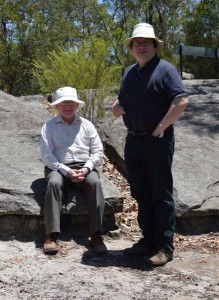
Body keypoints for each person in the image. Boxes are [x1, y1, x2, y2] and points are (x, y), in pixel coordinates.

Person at [112, 23, 188, 267]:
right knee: (141, 193)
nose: (141, 46)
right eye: (137, 42)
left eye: (146, 42)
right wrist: (116, 106)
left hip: (156, 140)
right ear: (132, 47)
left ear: (155, 45)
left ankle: (164, 246)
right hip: (133, 140)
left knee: (160, 194)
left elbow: (181, 100)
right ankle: (148, 241)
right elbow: (121, 98)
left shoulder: (166, 70)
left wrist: (161, 127)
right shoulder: (129, 71)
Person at [40, 86, 108, 255]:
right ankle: (52, 235)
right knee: (54, 183)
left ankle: (96, 234)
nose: (68, 106)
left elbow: (98, 152)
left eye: (71, 102)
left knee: (94, 182)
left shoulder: (87, 125)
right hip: (58, 167)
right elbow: (47, 156)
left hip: (84, 166)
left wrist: (86, 168)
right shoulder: (49, 127)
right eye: (63, 103)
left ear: (77, 105)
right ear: (57, 106)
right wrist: (66, 171)